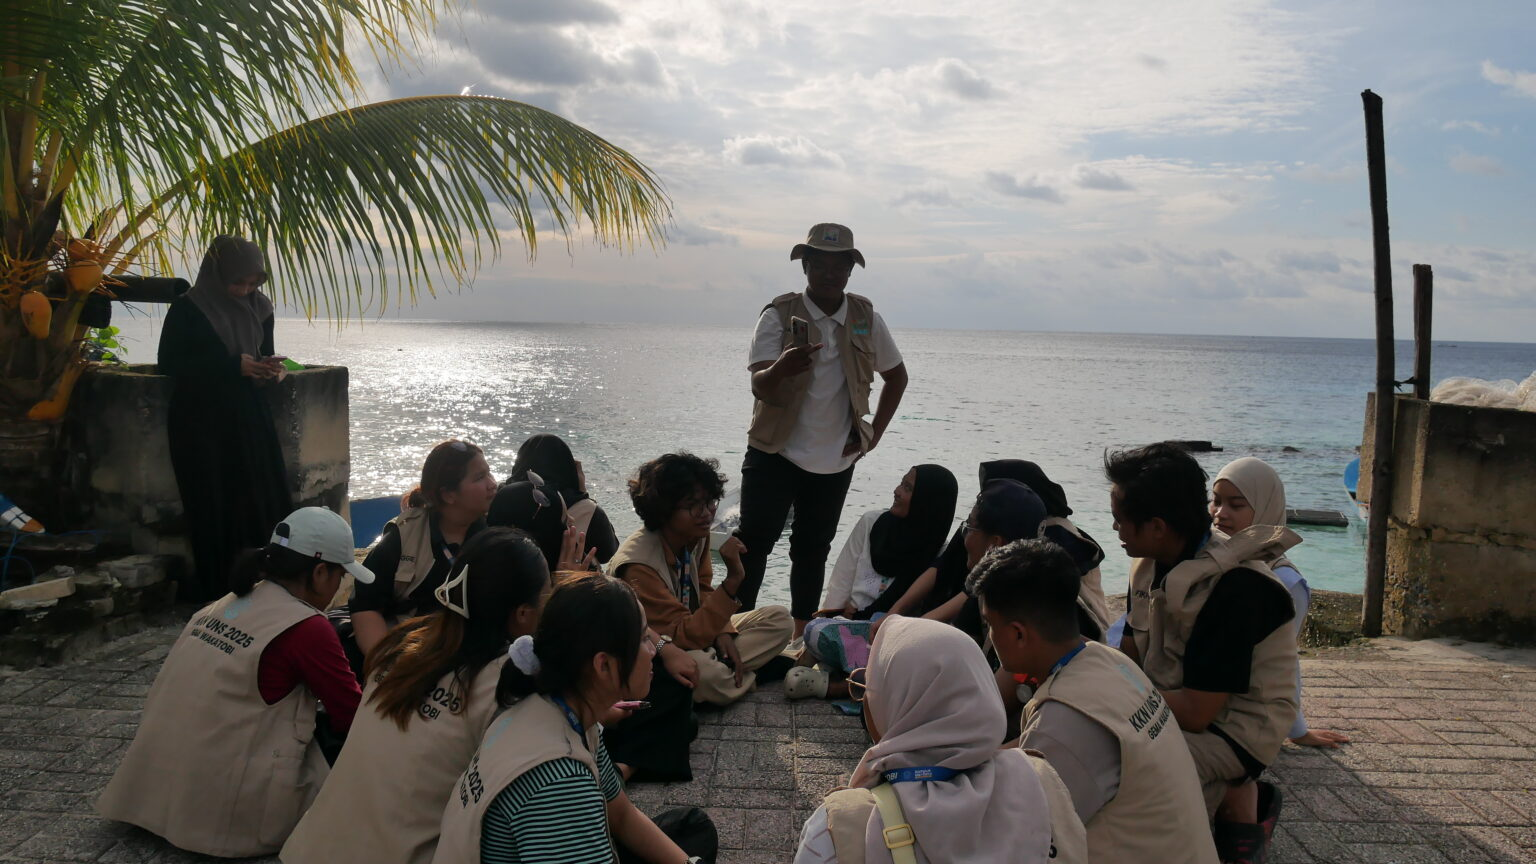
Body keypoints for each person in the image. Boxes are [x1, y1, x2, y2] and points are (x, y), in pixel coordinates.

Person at [98, 507, 371, 857]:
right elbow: (351, 715)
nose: (338, 587)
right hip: (225, 814)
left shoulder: (227, 604)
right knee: (357, 743)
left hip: (153, 791)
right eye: (340, 576)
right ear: (320, 573)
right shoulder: (307, 627)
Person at [282, 528, 551, 864]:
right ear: (523, 613)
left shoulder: (403, 644)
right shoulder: (507, 686)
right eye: (547, 597)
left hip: (310, 850)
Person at [433, 574, 717, 864]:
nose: (652, 651)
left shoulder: (558, 709)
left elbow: (620, 814)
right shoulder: (561, 784)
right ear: (603, 665)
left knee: (692, 828)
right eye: (644, 639)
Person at [1106, 443, 1300, 863]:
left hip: (1232, 730)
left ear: (1157, 526)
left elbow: (1197, 713)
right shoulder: (1148, 563)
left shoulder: (1237, 587)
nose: (1115, 528)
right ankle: (1232, 822)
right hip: (1167, 705)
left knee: (1120, 773)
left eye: (1121, 520)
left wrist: (1115, 704)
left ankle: (1229, 817)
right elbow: (1129, 656)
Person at [969, 539, 1218, 863]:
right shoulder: (1109, 661)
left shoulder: (1064, 720)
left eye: (990, 624)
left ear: (1018, 633)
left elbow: (1016, 836)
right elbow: (1043, 747)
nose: (990, 635)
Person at [792, 616, 1087, 864]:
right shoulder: (1042, 780)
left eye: (868, 684)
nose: (865, 697)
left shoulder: (839, 828)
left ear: (900, 703)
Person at [738, 223, 909, 633]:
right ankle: (736, 628)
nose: (831, 274)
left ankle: (802, 635)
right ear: (806, 266)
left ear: (850, 270)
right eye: (821, 265)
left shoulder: (866, 317)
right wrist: (782, 368)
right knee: (754, 545)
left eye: (840, 266)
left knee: (812, 551)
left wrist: (873, 435)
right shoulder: (778, 314)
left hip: (836, 459)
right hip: (774, 451)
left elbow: (897, 377)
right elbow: (759, 385)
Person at [157, 235, 291, 600]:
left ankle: (267, 586)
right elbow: (170, 362)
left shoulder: (260, 307)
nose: (244, 290)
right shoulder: (189, 307)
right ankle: (218, 591)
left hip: (249, 416)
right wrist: (233, 366)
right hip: (201, 421)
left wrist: (269, 370)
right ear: (216, 274)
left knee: (261, 498)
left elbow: (264, 353)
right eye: (237, 282)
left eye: (252, 283)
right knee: (213, 504)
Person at [610, 453, 794, 707]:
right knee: (705, 674)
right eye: (693, 505)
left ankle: (728, 671)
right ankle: (753, 674)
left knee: (780, 619)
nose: (706, 514)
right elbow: (682, 636)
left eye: (710, 502)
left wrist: (724, 631)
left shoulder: (695, 535)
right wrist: (733, 580)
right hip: (660, 647)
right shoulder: (639, 566)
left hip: (694, 630)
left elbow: (704, 590)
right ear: (664, 510)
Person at [784, 465, 957, 699]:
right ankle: (849, 674)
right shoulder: (872, 522)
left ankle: (838, 680)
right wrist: (836, 615)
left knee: (889, 647)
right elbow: (841, 582)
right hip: (847, 625)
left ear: (927, 503)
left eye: (907, 488)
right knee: (817, 630)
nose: (897, 491)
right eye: (901, 483)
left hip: (886, 636)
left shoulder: (940, 553)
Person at [1212, 457, 1350, 750]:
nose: (1220, 514)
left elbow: (1282, 664)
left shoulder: (1284, 582)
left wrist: (1297, 730)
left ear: (1266, 508)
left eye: (1236, 505)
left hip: (1241, 722)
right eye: (1216, 501)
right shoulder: (1213, 561)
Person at [883, 461, 1108, 641]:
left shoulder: (1047, 547)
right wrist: (897, 614)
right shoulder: (984, 524)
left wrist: (914, 629)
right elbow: (943, 566)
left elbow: (971, 594)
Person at [342, 440, 497, 676]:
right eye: (480, 477)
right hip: (406, 656)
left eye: (489, 473)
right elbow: (365, 606)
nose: (492, 484)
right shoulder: (403, 536)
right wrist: (389, 670)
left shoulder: (495, 536)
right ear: (448, 494)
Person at [504, 433, 621, 562]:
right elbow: (608, 553)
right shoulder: (587, 510)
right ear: (569, 467)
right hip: (568, 574)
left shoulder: (503, 498)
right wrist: (583, 493)